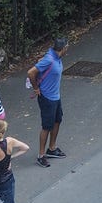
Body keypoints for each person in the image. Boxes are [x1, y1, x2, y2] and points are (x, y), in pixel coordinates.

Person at [27, 36, 68, 167]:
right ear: (63, 48)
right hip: (47, 98)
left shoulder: (56, 57)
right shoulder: (49, 59)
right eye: (67, 47)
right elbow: (31, 72)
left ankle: (52, 148)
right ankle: (41, 155)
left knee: (57, 120)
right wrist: (36, 88)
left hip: (56, 97)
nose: (68, 49)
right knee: (46, 126)